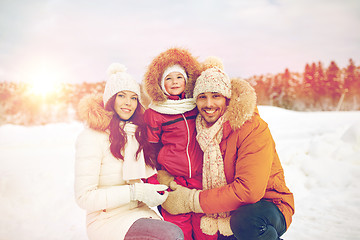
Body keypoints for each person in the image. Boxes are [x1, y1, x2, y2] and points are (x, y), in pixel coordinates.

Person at [159, 62, 295, 240]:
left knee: (246, 221)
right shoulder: (200, 130)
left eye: (216, 96)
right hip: (226, 211)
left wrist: (191, 200)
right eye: (202, 97)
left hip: (268, 205)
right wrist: (168, 179)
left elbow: (249, 191)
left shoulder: (252, 127)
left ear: (227, 98)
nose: (209, 104)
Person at [74, 63, 184, 240]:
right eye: (121, 96)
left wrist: (156, 192)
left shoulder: (136, 133)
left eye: (133, 98)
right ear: (110, 99)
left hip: (138, 211)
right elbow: (84, 197)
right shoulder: (92, 137)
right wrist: (136, 192)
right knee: (170, 235)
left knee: (176, 232)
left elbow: (148, 175)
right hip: (107, 218)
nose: (128, 103)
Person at [142, 47, 217, 240]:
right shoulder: (155, 112)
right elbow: (148, 150)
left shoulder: (197, 105)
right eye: (168, 78)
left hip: (202, 181)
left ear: (187, 80)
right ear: (160, 84)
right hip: (174, 181)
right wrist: (156, 184)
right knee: (178, 232)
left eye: (179, 77)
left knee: (206, 231)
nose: (174, 82)